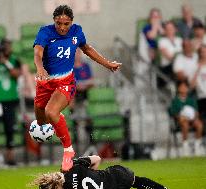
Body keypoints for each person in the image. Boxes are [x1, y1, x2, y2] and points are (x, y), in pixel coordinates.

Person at [33, 5, 121, 172]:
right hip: (45, 82)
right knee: (41, 120)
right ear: (54, 21)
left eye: (66, 24)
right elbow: (38, 53)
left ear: (71, 22)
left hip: (65, 82)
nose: (62, 27)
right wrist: (39, 68)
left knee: (51, 112)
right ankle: (52, 124)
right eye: (59, 23)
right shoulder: (45, 32)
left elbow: (87, 48)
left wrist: (108, 64)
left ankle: (68, 150)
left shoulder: (77, 32)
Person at [31, 155, 168, 189]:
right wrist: (92, 173)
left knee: (136, 183)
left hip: (116, 181)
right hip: (115, 174)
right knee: (137, 182)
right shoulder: (72, 167)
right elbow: (97, 159)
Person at [0, 39, 21, 167]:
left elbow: (16, 74)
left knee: (10, 129)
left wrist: (5, 62)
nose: (7, 49)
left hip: (10, 100)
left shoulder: (14, 60)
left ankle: (10, 157)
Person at [169, 80, 204, 157]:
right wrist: (180, 117)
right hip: (181, 120)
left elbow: (196, 111)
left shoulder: (191, 100)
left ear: (187, 89)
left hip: (192, 119)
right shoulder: (175, 101)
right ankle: (185, 147)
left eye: (185, 87)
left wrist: (194, 117)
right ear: (178, 88)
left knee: (199, 125)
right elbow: (173, 112)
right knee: (185, 125)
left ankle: (197, 146)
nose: (183, 88)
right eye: (182, 87)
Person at [191, 45, 206, 119]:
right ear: (199, 54)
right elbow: (192, 85)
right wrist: (198, 69)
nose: (204, 54)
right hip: (202, 97)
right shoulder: (194, 66)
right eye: (202, 52)